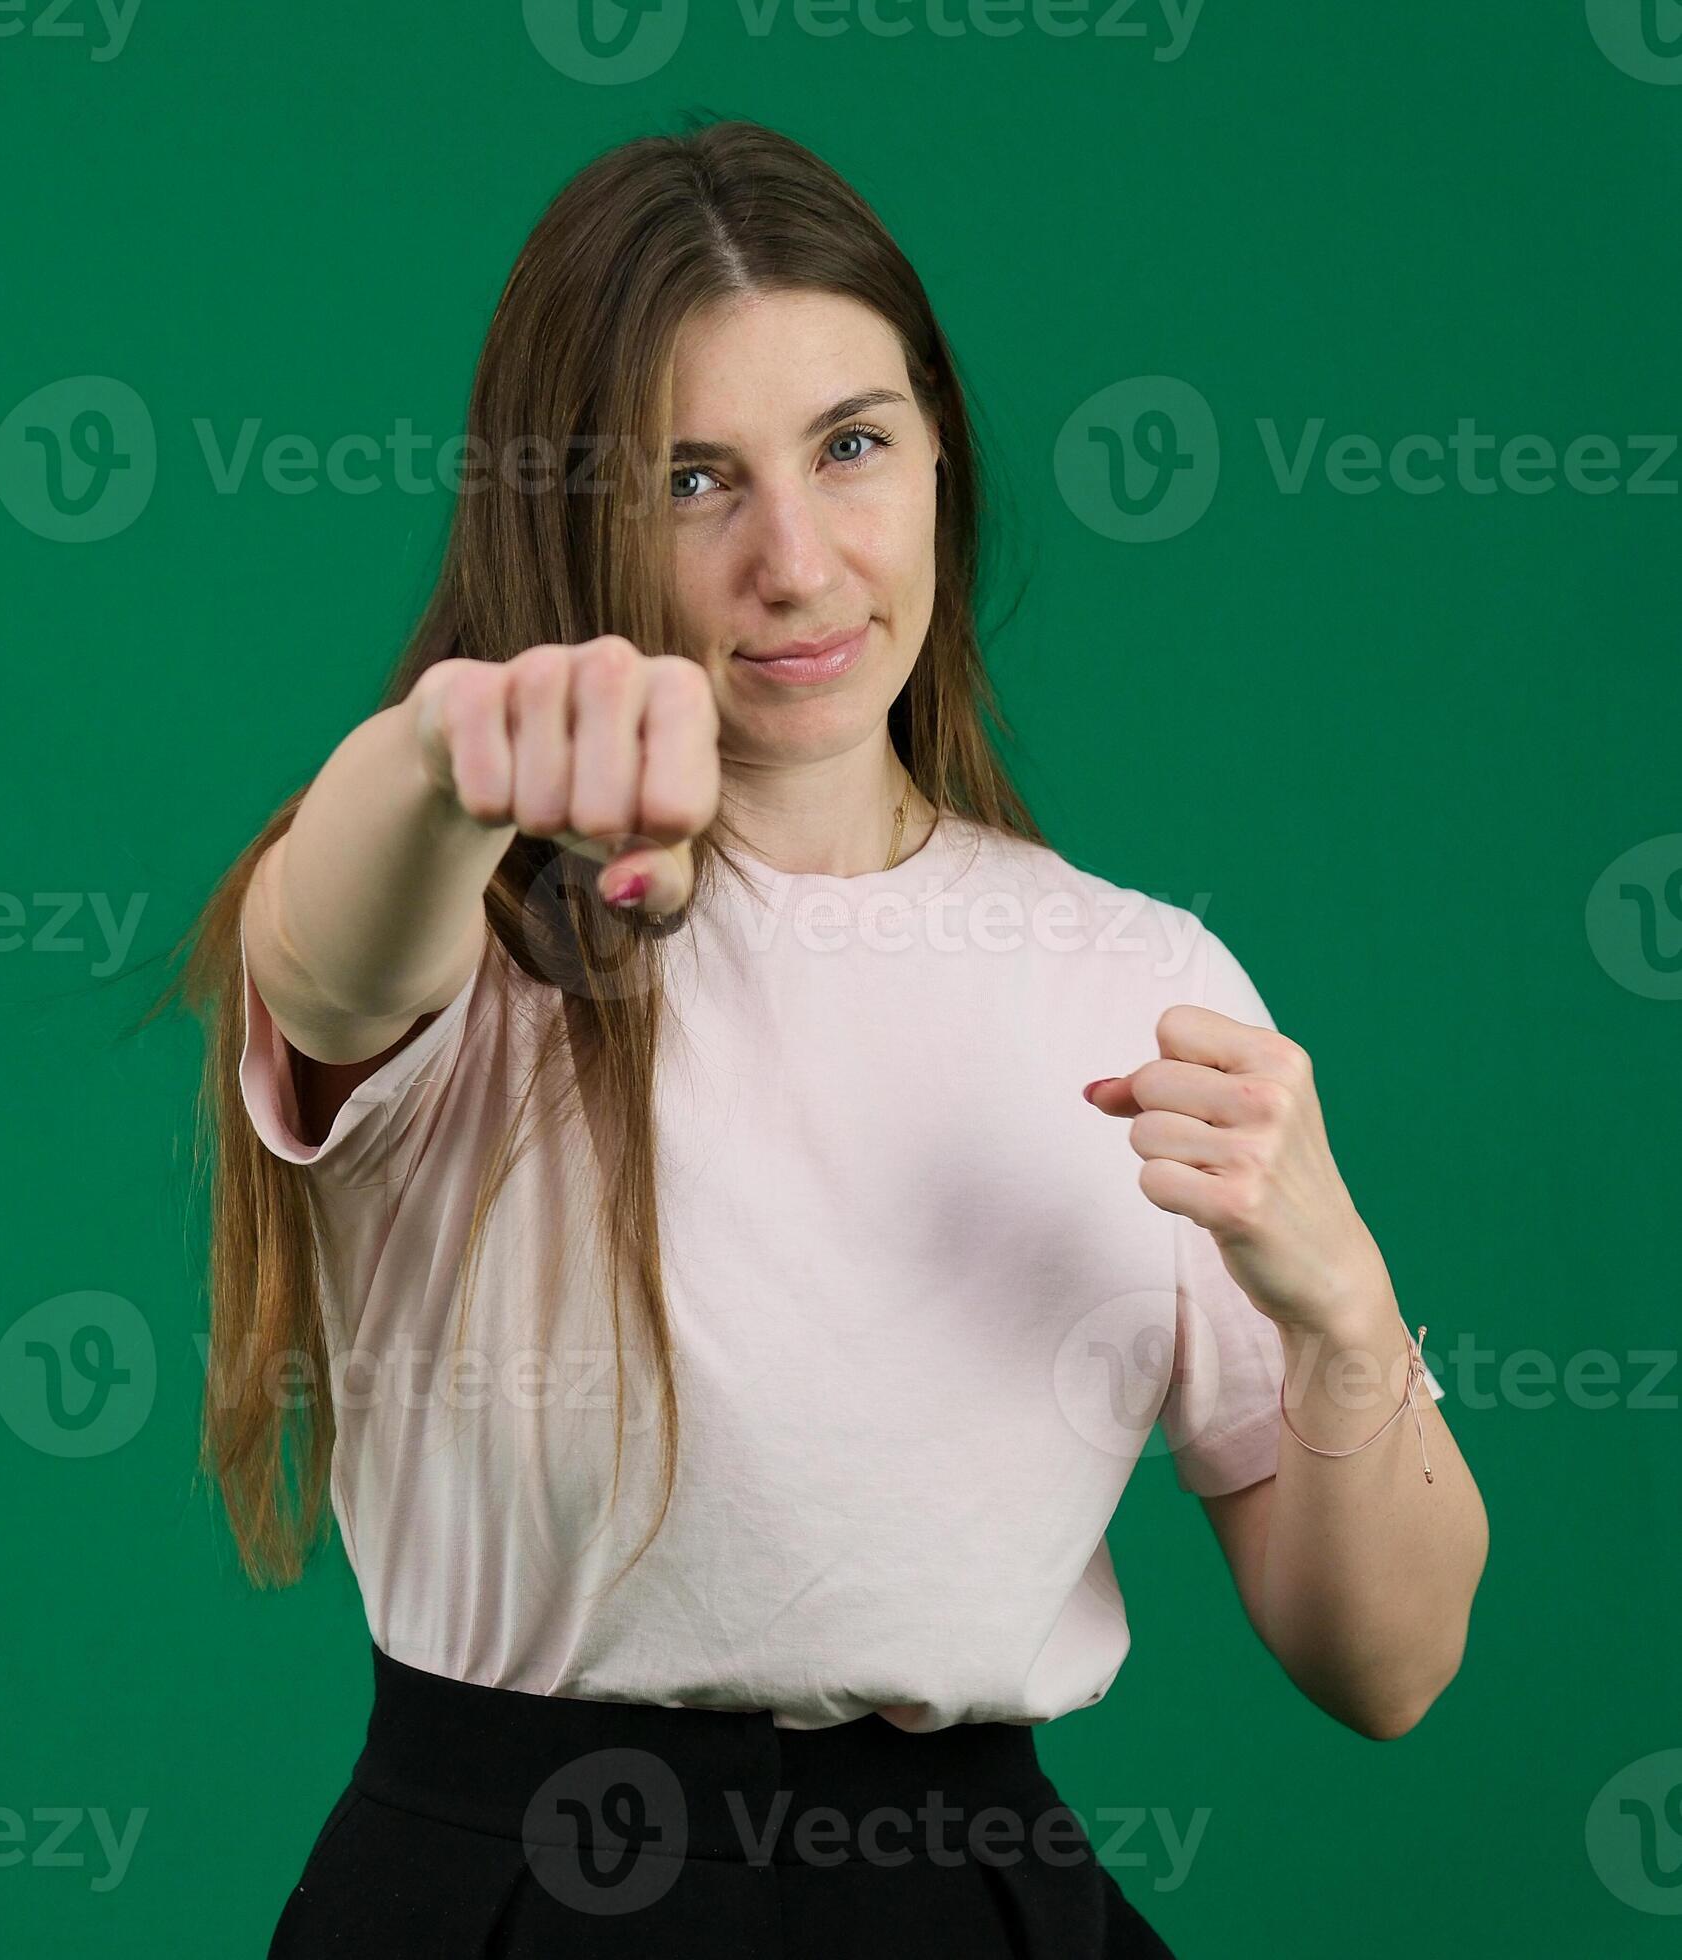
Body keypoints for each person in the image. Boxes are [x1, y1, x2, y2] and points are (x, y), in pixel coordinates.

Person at [172, 120, 1489, 1957]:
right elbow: (319, 962)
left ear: (941, 458)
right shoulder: (462, 910)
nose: (796, 561)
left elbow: (1391, 1668)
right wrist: (454, 752)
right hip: (509, 1893)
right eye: (696, 480)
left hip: (970, 1904)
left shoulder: (1134, 971)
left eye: (851, 448)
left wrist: (1341, 1303)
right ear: (573, 512)